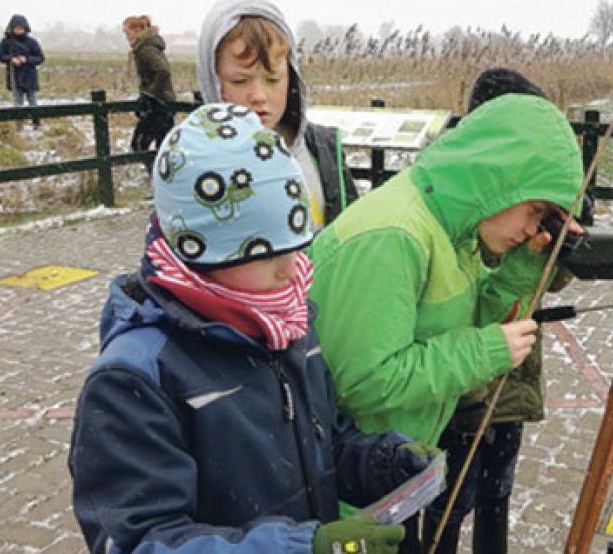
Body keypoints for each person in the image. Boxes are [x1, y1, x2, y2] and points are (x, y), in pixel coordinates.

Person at [68, 103, 439, 554]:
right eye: (268, 252)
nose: (293, 269)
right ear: (204, 252)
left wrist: (382, 464)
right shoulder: (135, 378)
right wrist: (299, 549)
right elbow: (138, 541)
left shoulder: (286, 323)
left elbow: (326, 444)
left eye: (296, 244)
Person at [308, 93, 584, 552]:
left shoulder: (454, 227)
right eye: (535, 211)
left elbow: (463, 321)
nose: (532, 227)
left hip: (391, 470)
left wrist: (523, 269)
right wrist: (485, 352)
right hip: (346, 488)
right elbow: (362, 380)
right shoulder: (394, 237)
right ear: (501, 179)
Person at [422, 68, 577, 554]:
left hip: (510, 385)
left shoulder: (537, 196)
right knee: (446, 502)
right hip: (460, 392)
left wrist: (553, 237)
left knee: (496, 494)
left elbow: (557, 279)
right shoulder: (455, 192)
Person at [197, 0, 358, 231]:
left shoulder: (323, 149)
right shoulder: (193, 163)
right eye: (240, 81)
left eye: (273, 79)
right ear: (211, 80)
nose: (259, 96)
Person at [122, 15, 176, 174]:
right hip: (164, 102)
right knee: (162, 146)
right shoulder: (150, 46)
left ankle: (156, 181)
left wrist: (150, 95)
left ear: (138, 30)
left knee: (139, 144)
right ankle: (162, 183)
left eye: (128, 32)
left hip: (157, 105)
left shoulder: (145, 49)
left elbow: (163, 71)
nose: (127, 37)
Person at [0, 14, 44, 129]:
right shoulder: (6, 42)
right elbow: (0, 55)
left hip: (29, 76)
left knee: (33, 102)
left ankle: (36, 124)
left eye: (21, 28)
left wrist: (26, 60)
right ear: (11, 28)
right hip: (14, 76)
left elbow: (40, 57)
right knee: (18, 102)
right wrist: (11, 60)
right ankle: (19, 125)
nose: (19, 30)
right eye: (16, 28)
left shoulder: (32, 42)